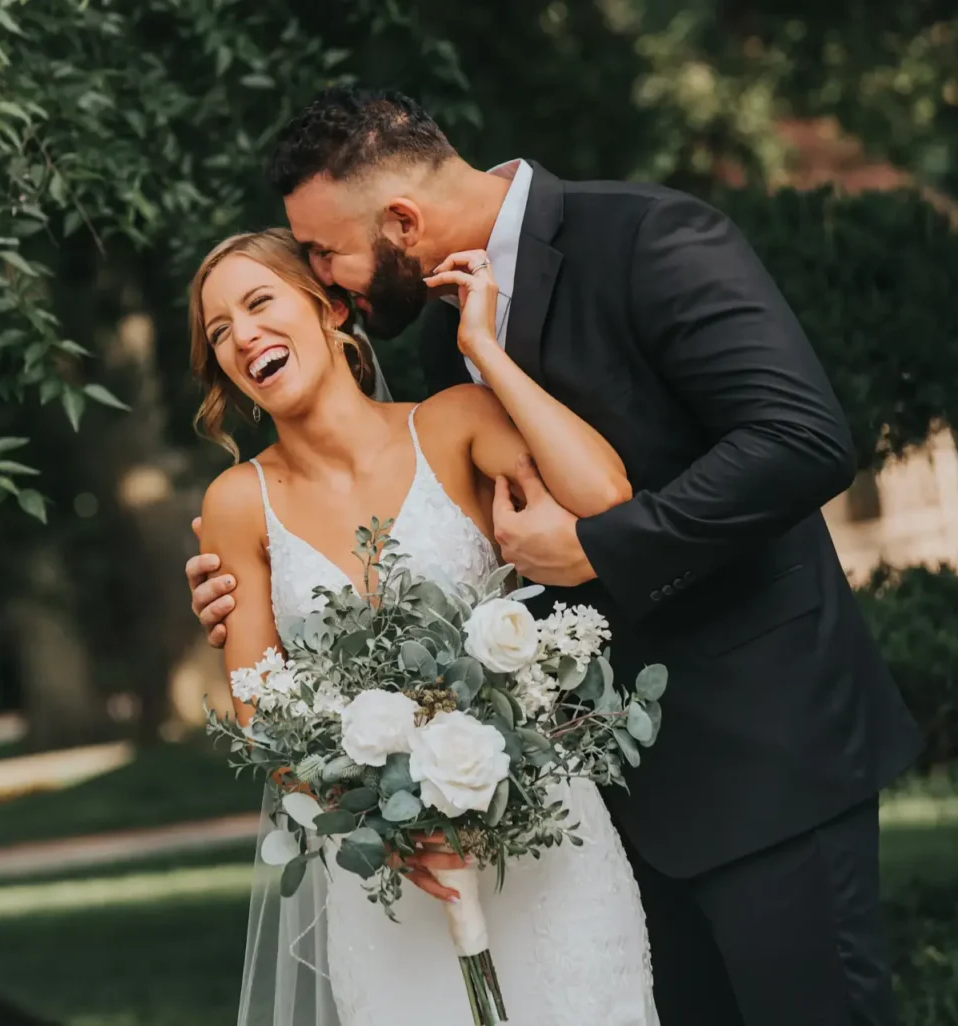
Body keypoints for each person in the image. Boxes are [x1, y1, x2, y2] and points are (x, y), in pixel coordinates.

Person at [188, 88, 923, 1026]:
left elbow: (799, 439)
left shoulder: (650, 235)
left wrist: (599, 549)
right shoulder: (441, 338)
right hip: (588, 813)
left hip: (762, 756)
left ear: (402, 220)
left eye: (327, 256)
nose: (330, 284)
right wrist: (259, 590)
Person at [192, 227, 658, 1024]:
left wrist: (486, 350)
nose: (243, 337)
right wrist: (382, 822)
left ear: (331, 307)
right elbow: (258, 714)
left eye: (259, 302)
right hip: (389, 879)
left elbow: (605, 498)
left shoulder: (456, 423)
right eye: (219, 332)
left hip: (541, 847)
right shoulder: (238, 502)